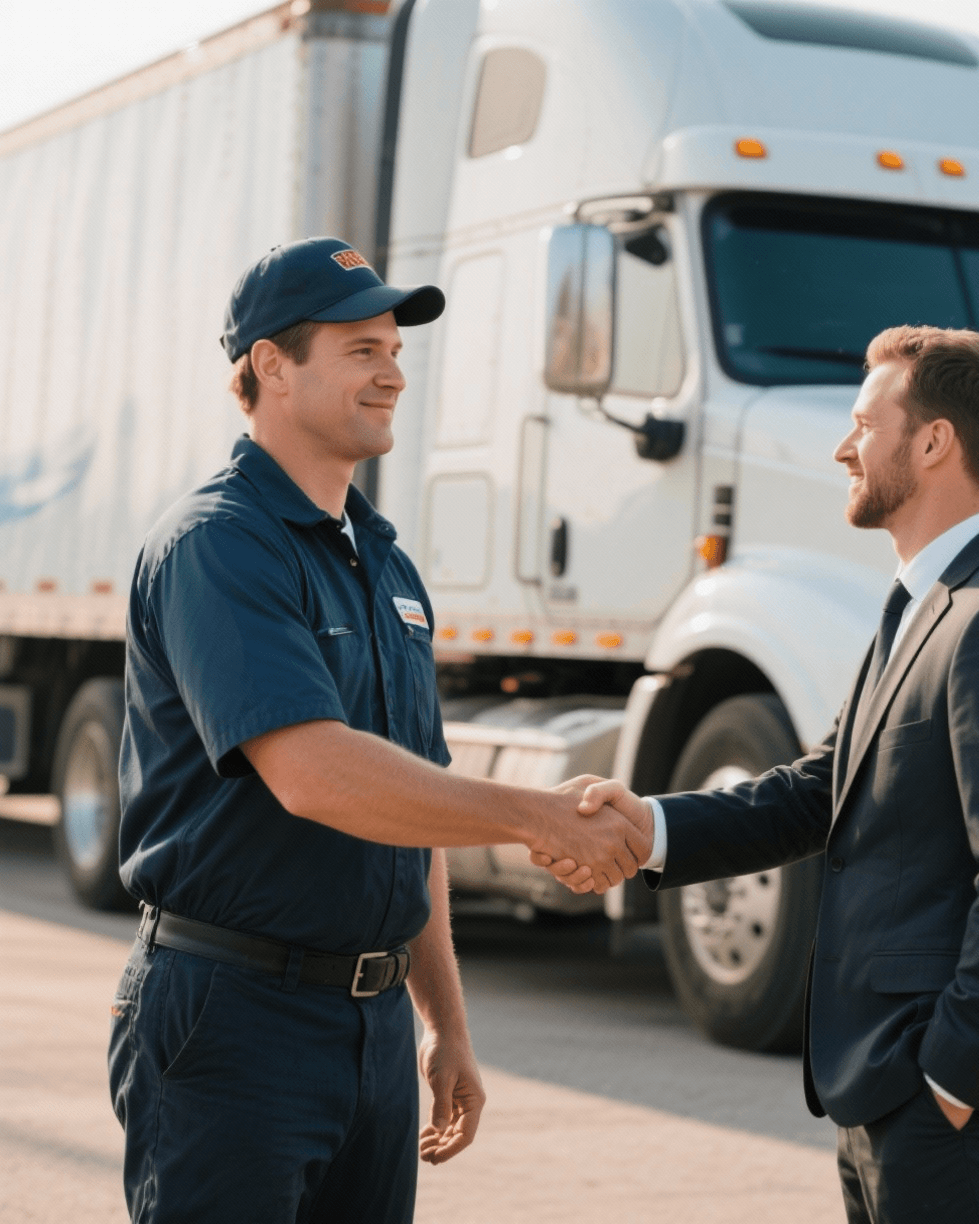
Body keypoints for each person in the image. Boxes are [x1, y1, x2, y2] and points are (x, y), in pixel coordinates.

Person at [109, 236, 650, 1224]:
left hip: (369, 1025)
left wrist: (443, 1021)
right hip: (231, 1015)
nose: (394, 371)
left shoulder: (386, 568)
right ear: (274, 365)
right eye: (362, 349)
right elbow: (315, 774)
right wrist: (535, 816)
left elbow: (414, 804)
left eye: (396, 348)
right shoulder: (217, 547)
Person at [539, 325, 979, 1223]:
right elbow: (819, 788)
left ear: (933, 442)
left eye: (864, 423)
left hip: (952, 1101)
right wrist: (650, 827)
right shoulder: (919, 606)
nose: (843, 446)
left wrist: (953, 1073)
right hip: (880, 1083)